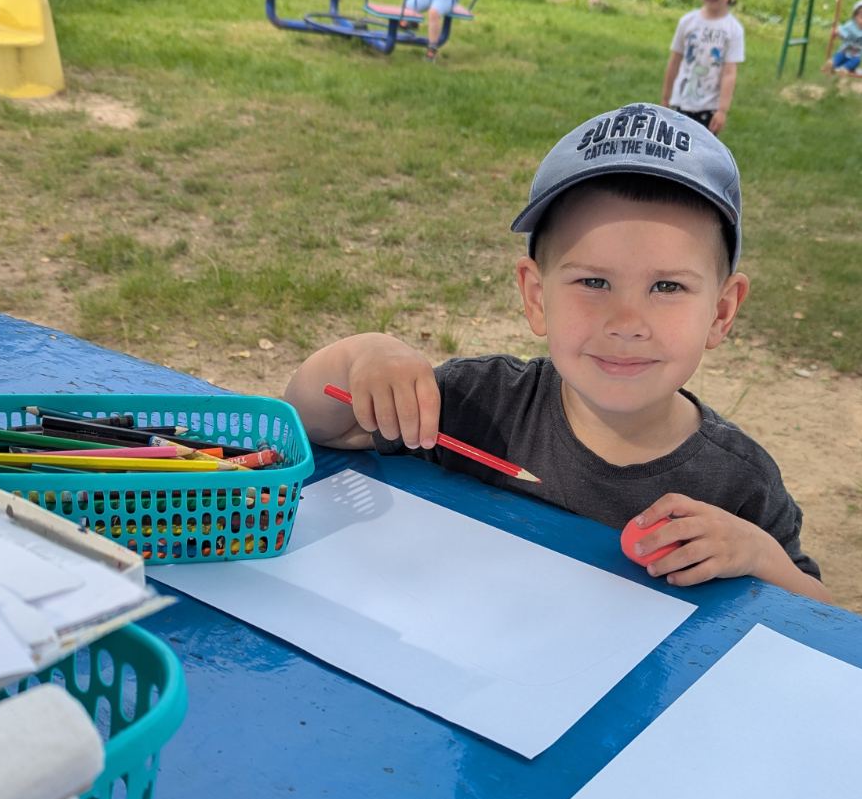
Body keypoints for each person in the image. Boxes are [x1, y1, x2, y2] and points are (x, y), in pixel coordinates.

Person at [286, 101, 828, 600]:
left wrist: (759, 556)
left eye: (667, 287)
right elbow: (314, 426)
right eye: (593, 282)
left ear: (722, 311)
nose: (626, 323)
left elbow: (826, 622)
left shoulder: (740, 483)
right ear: (536, 296)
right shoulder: (477, 405)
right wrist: (366, 354)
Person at [661, 0, 748, 135]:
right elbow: (674, 61)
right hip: (681, 104)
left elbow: (729, 73)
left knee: (700, 153)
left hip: (709, 110)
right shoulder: (687, 22)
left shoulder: (733, 30)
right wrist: (665, 98)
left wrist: (722, 110)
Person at [824, 0, 862, 77]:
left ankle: (844, 69)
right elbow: (841, 33)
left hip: (855, 57)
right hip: (844, 52)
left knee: (856, 60)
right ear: (855, 17)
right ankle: (832, 63)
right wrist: (836, 33)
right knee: (839, 56)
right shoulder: (850, 26)